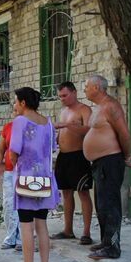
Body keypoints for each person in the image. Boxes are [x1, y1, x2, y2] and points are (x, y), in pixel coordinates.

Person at [9, 87, 59, 262]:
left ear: (22, 103)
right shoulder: (48, 123)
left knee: (26, 226)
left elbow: (14, 152)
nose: (14, 105)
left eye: (15, 101)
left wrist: (16, 164)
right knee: (42, 225)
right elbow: (52, 149)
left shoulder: (20, 121)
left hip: (26, 182)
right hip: (45, 182)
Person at [83, 74, 131, 260]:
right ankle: (106, 241)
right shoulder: (100, 107)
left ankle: (113, 247)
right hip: (99, 163)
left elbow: (125, 134)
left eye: (87, 86)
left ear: (97, 87)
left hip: (110, 162)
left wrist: (127, 155)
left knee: (110, 205)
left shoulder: (111, 106)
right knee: (101, 204)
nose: (84, 89)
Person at [51, 81, 94, 245]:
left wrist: (68, 125)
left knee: (83, 193)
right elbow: (63, 131)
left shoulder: (84, 109)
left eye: (65, 95)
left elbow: (89, 130)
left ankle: (86, 233)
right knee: (66, 193)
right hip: (63, 157)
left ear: (74, 93)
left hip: (79, 156)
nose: (62, 99)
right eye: (60, 96)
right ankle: (67, 230)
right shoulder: (63, 111)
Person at [0, 107, 21, 250]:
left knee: (24, 205)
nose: (15, 112)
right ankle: (10, 237)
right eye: (13, 110)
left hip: (26, 173)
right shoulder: (8, 127)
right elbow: (1, 150)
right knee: (9, 205)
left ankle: (22, 239)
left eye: (17, 109)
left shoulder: (32, 127)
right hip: (9, 173)